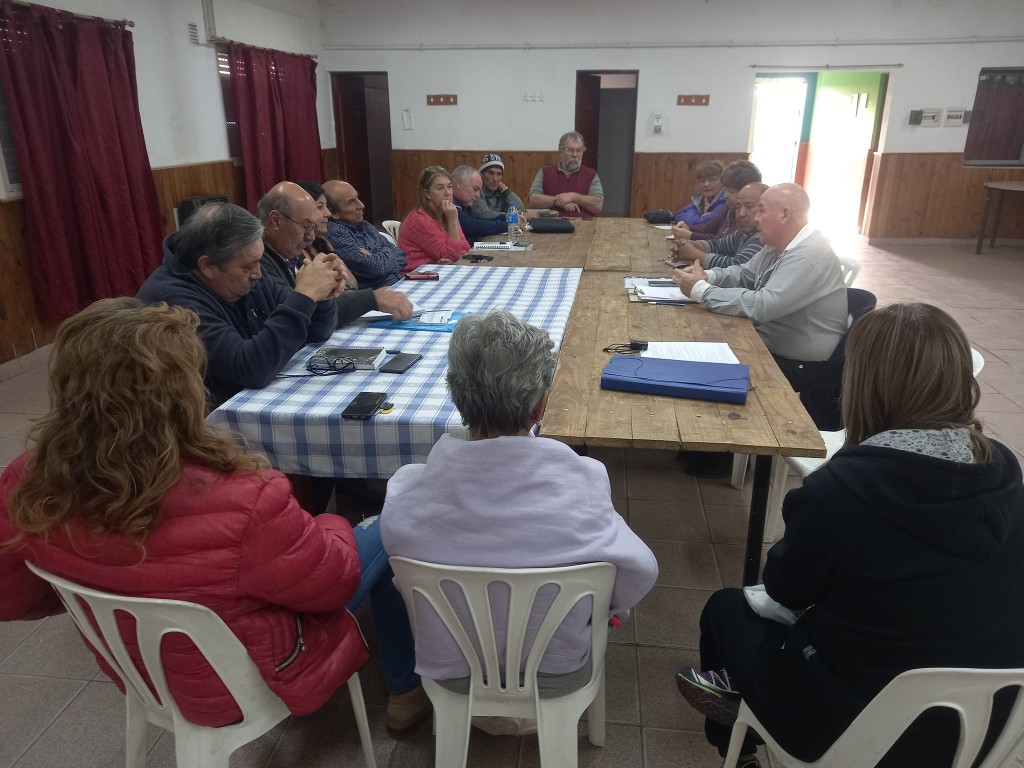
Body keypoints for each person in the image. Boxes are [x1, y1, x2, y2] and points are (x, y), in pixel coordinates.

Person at [0, 298, 431, 732]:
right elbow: (333, 586)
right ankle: (404, 685)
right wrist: (335, 523)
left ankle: (404, 689)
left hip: (137, 670)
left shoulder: (24, 481)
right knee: (391, 519)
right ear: (182, 392)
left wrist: (106, 581)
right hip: (251, 677)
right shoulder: (244, 498)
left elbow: (14, 596)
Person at [675, 302, 1024, 768]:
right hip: (987, 725)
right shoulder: (1002, 468)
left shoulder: (843, 488)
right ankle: (741, 699)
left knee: (726, 609)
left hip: (861, 729)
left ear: (864, 384)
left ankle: (739, 744)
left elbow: (786, 587)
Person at [381, 311, 658, 706]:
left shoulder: (407, 494)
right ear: (541, 406)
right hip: (558, 672)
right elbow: (642, 569)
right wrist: (604, 607)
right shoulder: (585, 479)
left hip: (452, 675)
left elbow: (400, 572)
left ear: (456, 396)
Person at [672, 183, 846, 477]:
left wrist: (701, 291)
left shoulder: (807, 255)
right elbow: (744, 273)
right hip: (770, 341)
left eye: (761, 211)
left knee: (716, 364)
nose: (754, 218)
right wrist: (708, 275)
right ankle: (712, 443)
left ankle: (725, 452)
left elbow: (764, 305)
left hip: (803, 364)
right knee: (702, 344)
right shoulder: (777, 245)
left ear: (784, 215)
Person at [136, 201, 340, 405]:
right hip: (208, 423)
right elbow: (251, 368)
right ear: (207, 266)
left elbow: (316, 331)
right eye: (248, 266)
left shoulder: (248, 273)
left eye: (259, 261)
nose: (258, 274)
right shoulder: (170, 300)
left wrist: (320, 295)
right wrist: (304, 296)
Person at [258, 182, 413, 325]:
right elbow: (304, 317)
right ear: (276, 221)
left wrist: (325, 297)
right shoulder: (259, 263)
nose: (311, 236)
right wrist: (371, 299)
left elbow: (318, 318)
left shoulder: (291, 250)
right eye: (306, 226)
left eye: (312, 228)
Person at [323, 179, 407, 289]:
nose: (361, 205)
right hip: (379, 297)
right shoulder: (334, 233)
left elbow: (402, 256)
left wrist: (376, 256)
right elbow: (374, 268)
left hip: (399, 285)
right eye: (351, 202)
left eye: (357, 197)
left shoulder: (364, 225)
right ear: (333, 212)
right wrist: (387, 252)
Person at [669, 183, 768, 269]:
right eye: (737, 207)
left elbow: (737, 267)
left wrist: (693, 254)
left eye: (749, 206)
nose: (741, 213)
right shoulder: (742, 233)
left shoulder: (762, 238)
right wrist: (686, 244)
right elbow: (718, 245)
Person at [397, 166, 470, 274]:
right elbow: (450, 255)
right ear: (427, 194)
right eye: (440, 188)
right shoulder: (420, 219)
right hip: (416, 278)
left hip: (440, 272)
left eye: (449, 187)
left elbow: (465, 248)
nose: (448, 193)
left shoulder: (447, 213)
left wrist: (455, 256)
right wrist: (453, 221)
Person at [673, 160, 762, 243]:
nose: (725, 195)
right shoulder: (729, 209)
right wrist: (688, 228)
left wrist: (691, 235)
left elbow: (725, 241)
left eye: (731, 191)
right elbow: (709, 227)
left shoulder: (746, 217)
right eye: (725, 190)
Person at [527, 131, 604, 217]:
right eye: (570, 150)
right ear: (561, 151)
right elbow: (532, 201)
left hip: (584, 224)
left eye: (579, 150)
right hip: (551, 224)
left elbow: (598, 206)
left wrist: (573, 197)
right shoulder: (545, 172)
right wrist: (558, 201)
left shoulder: (591, 175)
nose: (575, 154)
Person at [450, 165, 507, 240]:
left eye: (479, 191)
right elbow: (471, 227)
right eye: (475, 189)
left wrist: (505, 218)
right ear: (459, 183)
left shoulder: (463, 204)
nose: (478, 195)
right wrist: (506, 225)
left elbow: (478, 220)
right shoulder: (449, 202)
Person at [471, 153, 527, 220]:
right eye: (491, 173)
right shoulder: (476, 190)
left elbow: (520, 209)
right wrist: (509, 215)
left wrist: (505, 189)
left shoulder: (501, 191)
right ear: (481, 174)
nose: (495, 179)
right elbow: (483, 214)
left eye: (499, 174)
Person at [673, 160, 726, 226]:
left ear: (723, 181)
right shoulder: (701, 200)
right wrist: (696, 215)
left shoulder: (725, 201)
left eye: (713, 179)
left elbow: (699, 224)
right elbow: (679, 214)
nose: (706, 184)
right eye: (702, 181)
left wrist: (692, 215)